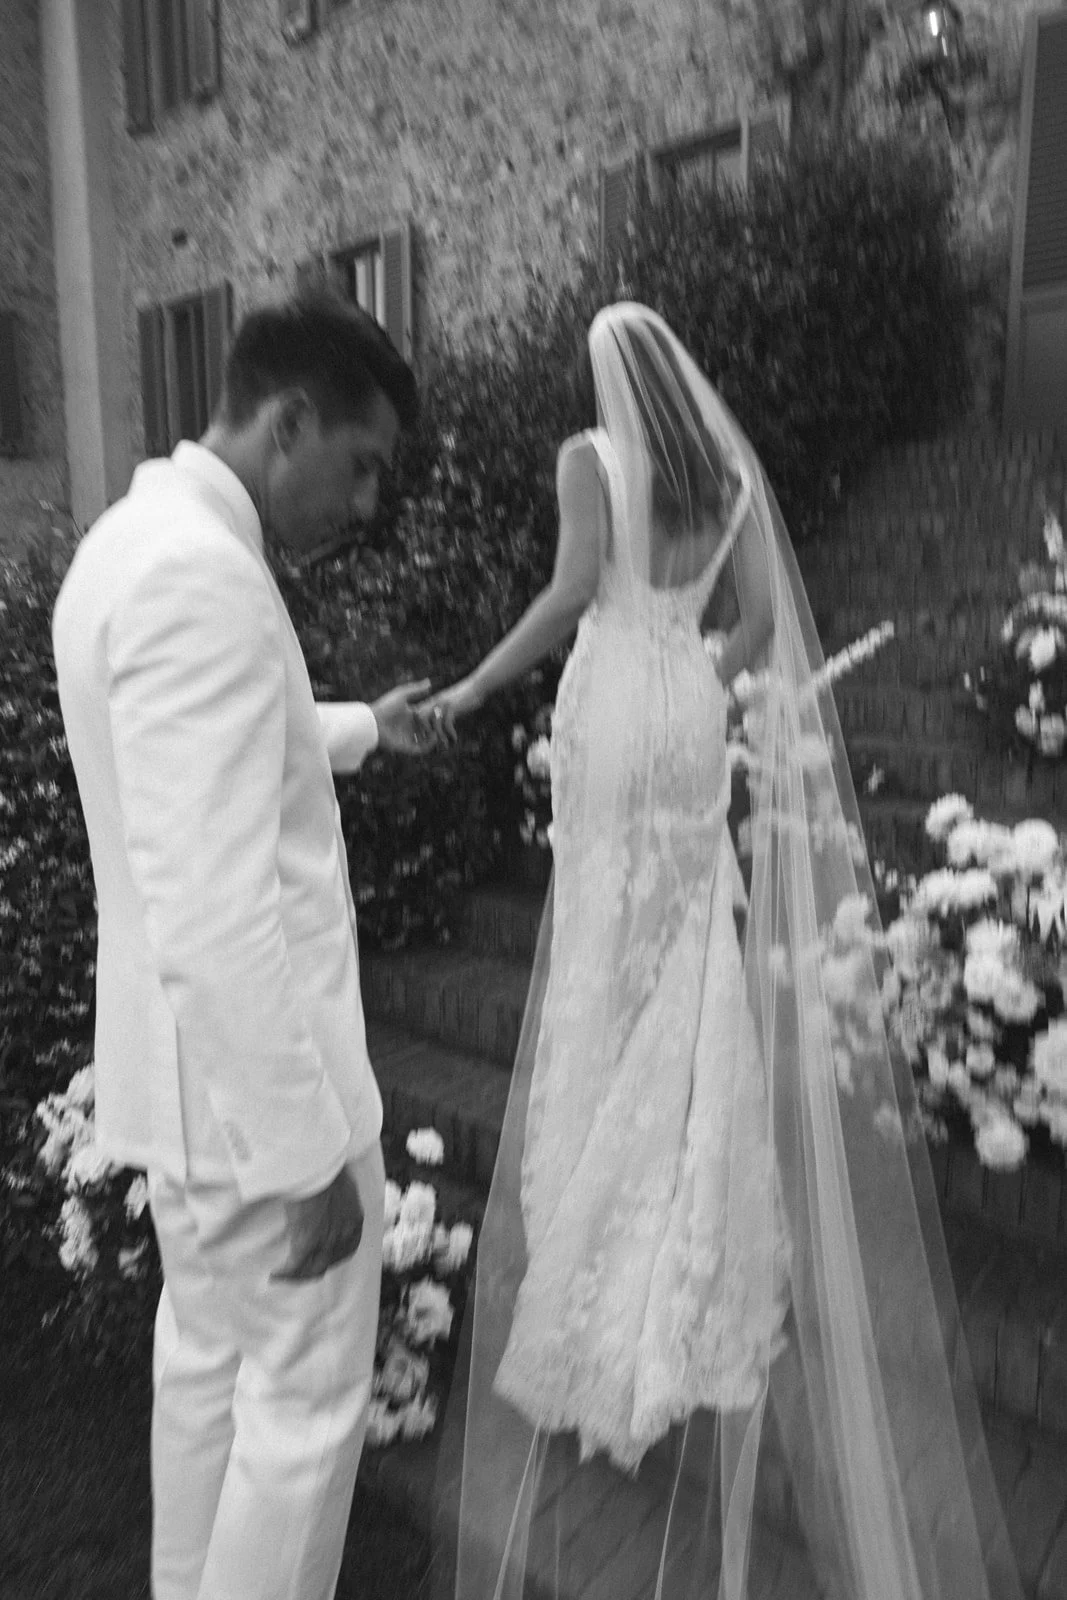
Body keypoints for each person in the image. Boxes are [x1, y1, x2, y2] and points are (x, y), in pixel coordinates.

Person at [427, 303, 1022, 1600]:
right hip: (690, 713)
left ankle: (606, 1237)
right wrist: (689, 663)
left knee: (599, 953)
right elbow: (756, 628)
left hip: (609, 705)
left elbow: (573, 588)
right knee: (689, 948)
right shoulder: (729, 480)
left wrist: (475, 688)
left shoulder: (592, 461)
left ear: (607, 381)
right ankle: (689, 1214)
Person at [51, 292, 436, 1600]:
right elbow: (214, 901)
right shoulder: (201, 573)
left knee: (204, 1371)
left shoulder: (129, 544)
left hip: (177, 1100)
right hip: (253, 1111)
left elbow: (213, 754)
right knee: (304, 1412)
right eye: (362, 460)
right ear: (289, 422)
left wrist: (363, 727)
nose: (368, 500)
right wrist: (302, 1151)